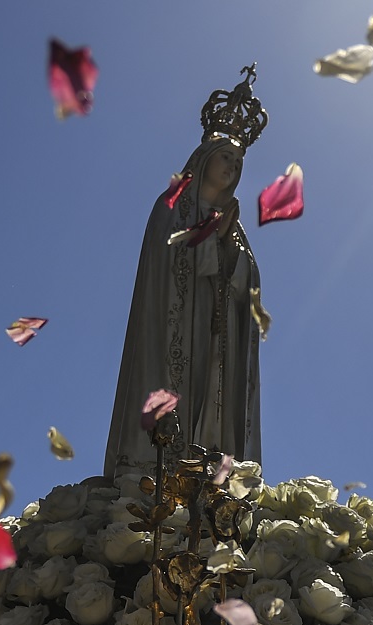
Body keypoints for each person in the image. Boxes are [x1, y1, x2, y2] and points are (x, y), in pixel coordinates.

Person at [105, 68, 267, 477]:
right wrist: (212, 245)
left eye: (237, 162)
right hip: (177, 325)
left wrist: (232, 254)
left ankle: (213, 467)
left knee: (211, 413)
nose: (231, 166)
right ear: (204, 161)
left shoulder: (235, 225)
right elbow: (167, 256)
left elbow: (247, 281)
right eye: (224, 157)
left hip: (216, 342)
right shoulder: (172, 206)